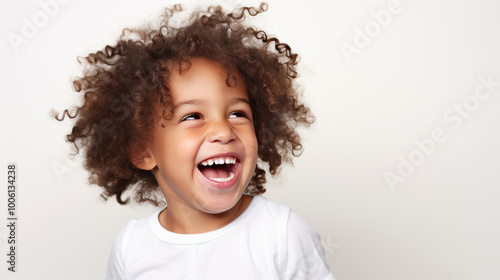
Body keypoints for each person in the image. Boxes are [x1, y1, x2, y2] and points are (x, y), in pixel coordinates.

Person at [56, 2, 334, 279]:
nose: (224, 132)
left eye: (238, 113)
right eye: (192, 116)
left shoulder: (281, 235)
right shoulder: (131, 248)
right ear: (143, 152)